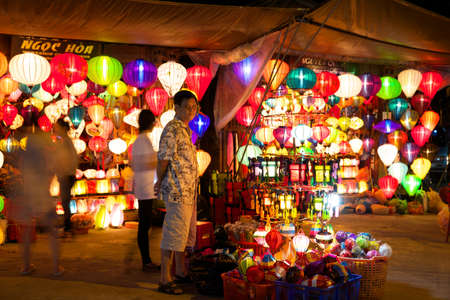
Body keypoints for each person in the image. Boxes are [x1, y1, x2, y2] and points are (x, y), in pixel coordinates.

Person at [156, 90, 198, 295]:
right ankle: (165, 278)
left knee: (182, 235)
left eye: (193, 107)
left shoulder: (185, 130)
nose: (191, 110)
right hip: (177, 190)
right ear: (177, 108)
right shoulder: (172, 128)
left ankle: (180, 271)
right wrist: (159, 181)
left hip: (188, 191)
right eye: (187, 107)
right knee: (173, 234)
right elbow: (164, 158)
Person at [16, 125, 63, 276]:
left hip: (28, 196)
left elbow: (21, 175)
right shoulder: (45, 158)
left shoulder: (24, 159)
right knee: (52, 231)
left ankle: (25, 266)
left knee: (27, 232)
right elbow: (51, 172)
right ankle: (56, 268)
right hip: (43, 196)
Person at [131, 109, 159, 272]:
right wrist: (158, 158)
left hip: (145, 187)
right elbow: (145, 163)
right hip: (145, 188)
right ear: (151, 123)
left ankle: (146, 259)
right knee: (144, 225)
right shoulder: (143, 141)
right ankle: (146, 260)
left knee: (145, 224)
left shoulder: (141, 140)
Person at [54, 119, 78, 237]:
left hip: (66, 175)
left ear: (63, 129)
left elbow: (66, 159)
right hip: (67, 174)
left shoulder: (65, 142)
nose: (55, 129)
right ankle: (68, 227)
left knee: (65, 201)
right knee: (65, 201)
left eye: (57, 127)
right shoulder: (65, 141)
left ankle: (68, 228)